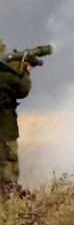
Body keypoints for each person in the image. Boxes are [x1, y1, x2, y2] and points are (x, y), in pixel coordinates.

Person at [0, 40, 32, 188]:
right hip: (5, 126)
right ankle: (9, 192)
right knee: (9, 159)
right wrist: (25, 73)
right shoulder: (5, 74)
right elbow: (23, 90)